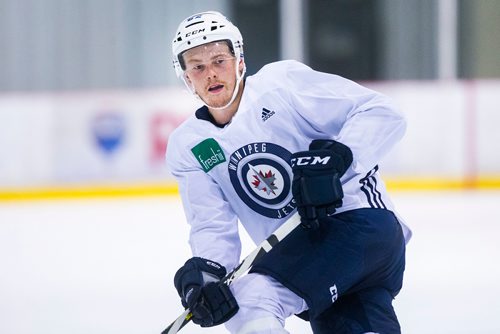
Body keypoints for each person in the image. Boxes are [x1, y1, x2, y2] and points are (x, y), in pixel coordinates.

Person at [166, 11, 411, 334]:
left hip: (360, 226)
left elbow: (383, 112)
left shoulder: (280, 86)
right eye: (197, 66)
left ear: (240, 62)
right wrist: (209, 276)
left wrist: (337, 159)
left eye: (219, 61)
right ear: (186, 78)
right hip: (311, 260)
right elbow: (212, 224)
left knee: (249, 299)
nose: (210, 73)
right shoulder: (190, 146)